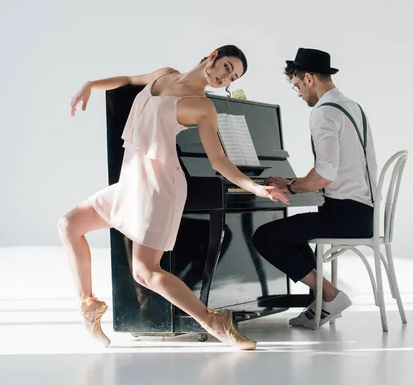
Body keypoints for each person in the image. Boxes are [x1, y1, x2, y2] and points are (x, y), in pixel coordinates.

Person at [59, 45, 289, 350]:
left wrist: (257, 188)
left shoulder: (202, 107)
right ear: (213, 55)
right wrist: (91, 84)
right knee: (69, 225)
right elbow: (128, 80)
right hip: (131, 181)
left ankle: (214, 322)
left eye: (232, 77)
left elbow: (218, 161)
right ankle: (88, 306)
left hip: (158, 188)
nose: (225, 77)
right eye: (226, 67)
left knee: (146, 272)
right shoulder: (163, 74)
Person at [253, 48, 378, 329]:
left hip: (347, 215)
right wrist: (292, 184)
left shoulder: (323, 113)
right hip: (363, 212)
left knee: (265, 237)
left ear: (308, 78)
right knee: (293, 232)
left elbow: (324, 175)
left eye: (297, 86)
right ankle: (320, 301)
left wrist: (292, 188)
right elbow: (331, 169)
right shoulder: (352, 106)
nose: (298, 94)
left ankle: (329, 296)